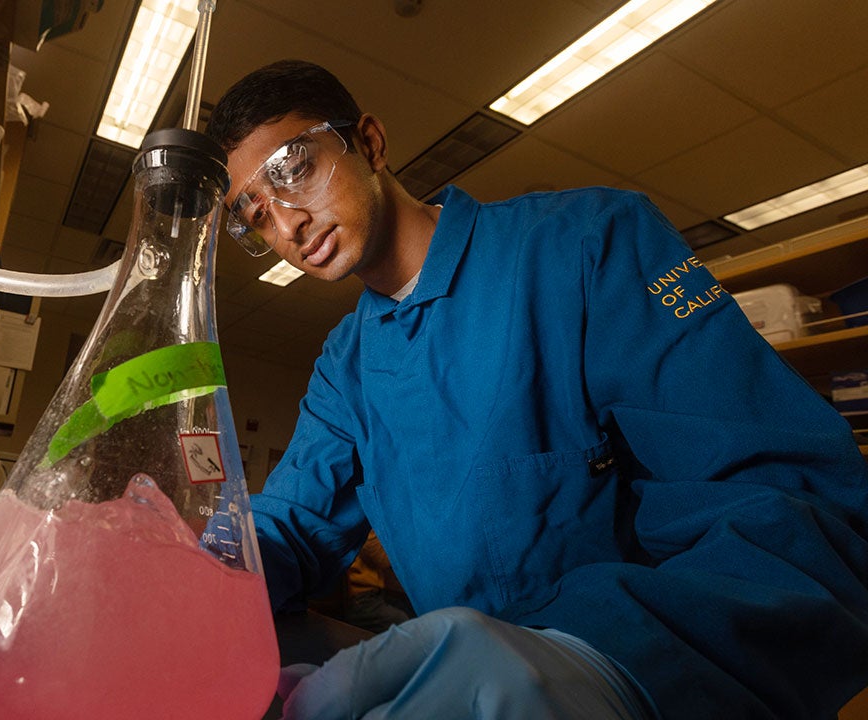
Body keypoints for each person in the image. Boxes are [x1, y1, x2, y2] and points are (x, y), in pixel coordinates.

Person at [205, 59, 868, 720]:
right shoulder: (347, 365)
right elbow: (292, 520)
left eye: (294, 170)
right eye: (255, 214)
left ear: (370, 142)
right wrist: (205, 573)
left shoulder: (585, 247)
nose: (287, 223)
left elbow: (792, 505)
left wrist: (605, 659)